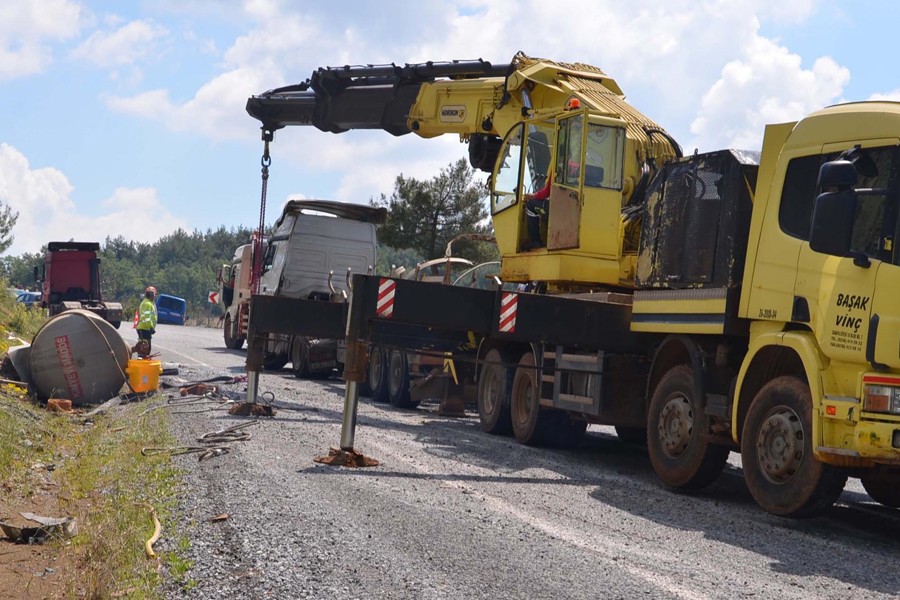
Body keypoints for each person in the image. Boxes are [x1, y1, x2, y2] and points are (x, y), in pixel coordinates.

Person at [523, 177, 552, 250]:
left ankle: (535, 241)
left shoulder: (556, 166)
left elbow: (547, 192)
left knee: (530, 204)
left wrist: (533, 195)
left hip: (557, 206)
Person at [135, 286, 158, 357]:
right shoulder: (147, 304)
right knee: (144, 349)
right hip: (145, 329)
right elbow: (147, 318)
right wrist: (151, 327)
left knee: (144, 348)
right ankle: (142, 364)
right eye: (154, 294)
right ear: (151, 294)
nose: (155, 296)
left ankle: (143, 362)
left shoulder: (147, 302)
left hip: (145, 328)